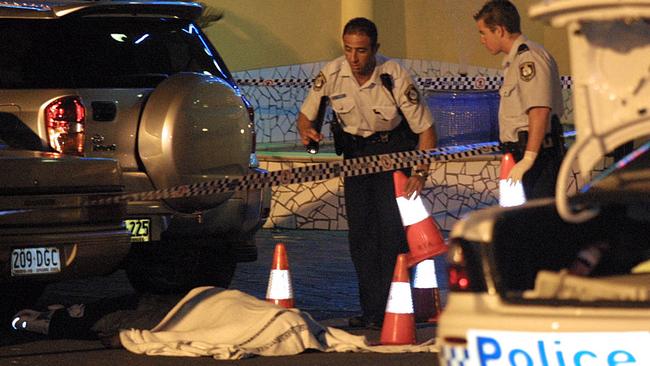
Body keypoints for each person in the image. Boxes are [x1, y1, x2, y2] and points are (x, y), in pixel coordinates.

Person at [296, 17, 436, 329]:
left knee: (391, 236)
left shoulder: (393, 75)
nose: (354, 58)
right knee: (361, 237)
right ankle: (371, 311)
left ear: (375, 49)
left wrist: (419, 174)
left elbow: (426, 130)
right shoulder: (332, 73)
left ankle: (394, 310)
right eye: (348, 50)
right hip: (356, 158)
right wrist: (308, 132)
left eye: (361, 51)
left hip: (391, 155)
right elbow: (305, 116)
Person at [474, 0, 565, 199]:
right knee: (525, 223)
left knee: (539, 221)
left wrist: (529, 158)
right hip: (522, 154)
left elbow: (539, 110)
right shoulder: (514, 60)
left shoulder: (528, 58)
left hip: (537, 156)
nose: (482, 39)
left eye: (483, 32)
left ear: (499, 30)